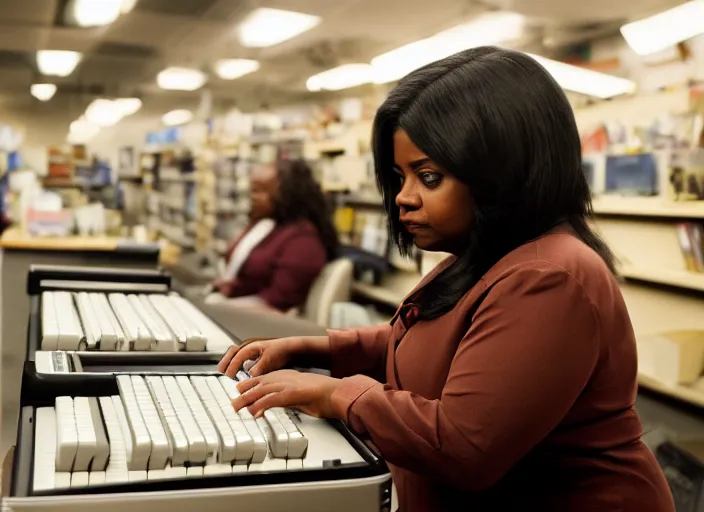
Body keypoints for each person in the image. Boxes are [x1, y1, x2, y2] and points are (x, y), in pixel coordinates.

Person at [218, 47, 675, 511]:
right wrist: (320, 350)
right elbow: (436, 345)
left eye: (429, 176)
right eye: (400, 176)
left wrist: (339, 395)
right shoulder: (488, 254)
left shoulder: (548, 277)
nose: (404, 198)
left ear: (502, 172)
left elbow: (465, 446)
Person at [205, 159, 338, 312]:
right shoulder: (266, 226)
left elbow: (277, 303)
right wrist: (230, 286)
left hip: (262, 324)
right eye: (252, 190)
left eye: (260, 191)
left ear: (288, 193)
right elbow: (253, 277)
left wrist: (215, 309)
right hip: (238, 309)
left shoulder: (303, 241)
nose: (252, 197)